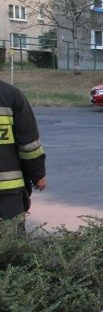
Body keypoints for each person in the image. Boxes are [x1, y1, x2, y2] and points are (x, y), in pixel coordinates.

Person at [0, 79, 47, 225]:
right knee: (11, 243)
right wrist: (37, 174)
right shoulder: (10, 95)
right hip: (7, 192)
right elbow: (29, 145)